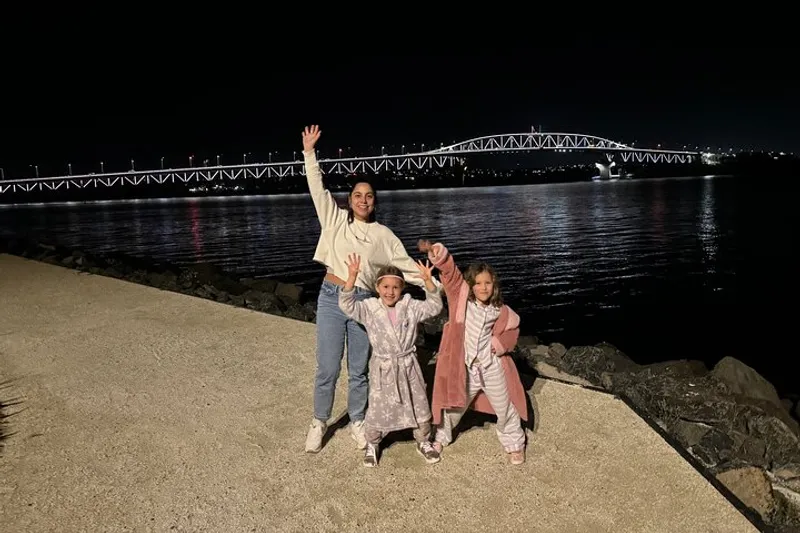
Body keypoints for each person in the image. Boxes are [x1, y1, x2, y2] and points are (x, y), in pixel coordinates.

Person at [301, 125, 434, 454]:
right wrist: (309, 152)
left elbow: (407, 268)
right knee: (328, 367)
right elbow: (317, 187)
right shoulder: (335, 219)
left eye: (369, 196)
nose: (363, 200)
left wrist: (438, 285)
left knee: (359, 369)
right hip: (332, 297)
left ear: (374, 203)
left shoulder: (384, 236)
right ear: (350, 200)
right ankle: (319, 422)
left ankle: (358, 421)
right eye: (358, 195)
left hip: (364, 304)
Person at [418, 239, 528, 465]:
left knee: (504, 405)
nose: (483, 288)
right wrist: (439, 255)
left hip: (491, 367)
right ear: (470, 285)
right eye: (477, 283)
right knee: (455, 404)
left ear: (494, 285)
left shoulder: (500, 310)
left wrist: (498, 345)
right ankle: (441, 437)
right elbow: (451, 275)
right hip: (466, 367)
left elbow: (512, 330)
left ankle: (514, 443)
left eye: (487, 283)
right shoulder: (461, 301)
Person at [338, 253, 443, 467]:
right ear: (377, 288)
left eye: (395, 287)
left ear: (402, 288)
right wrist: (351, 278)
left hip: (407, 364)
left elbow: (434, 307)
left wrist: (428, 282)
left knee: (418, 402)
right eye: (385, 287)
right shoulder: (369, 308)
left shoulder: (410, 306)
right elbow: (347, 305)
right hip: (383, 366)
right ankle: (373, 443)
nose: (390, 292)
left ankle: (423, 440)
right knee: (378, 405)